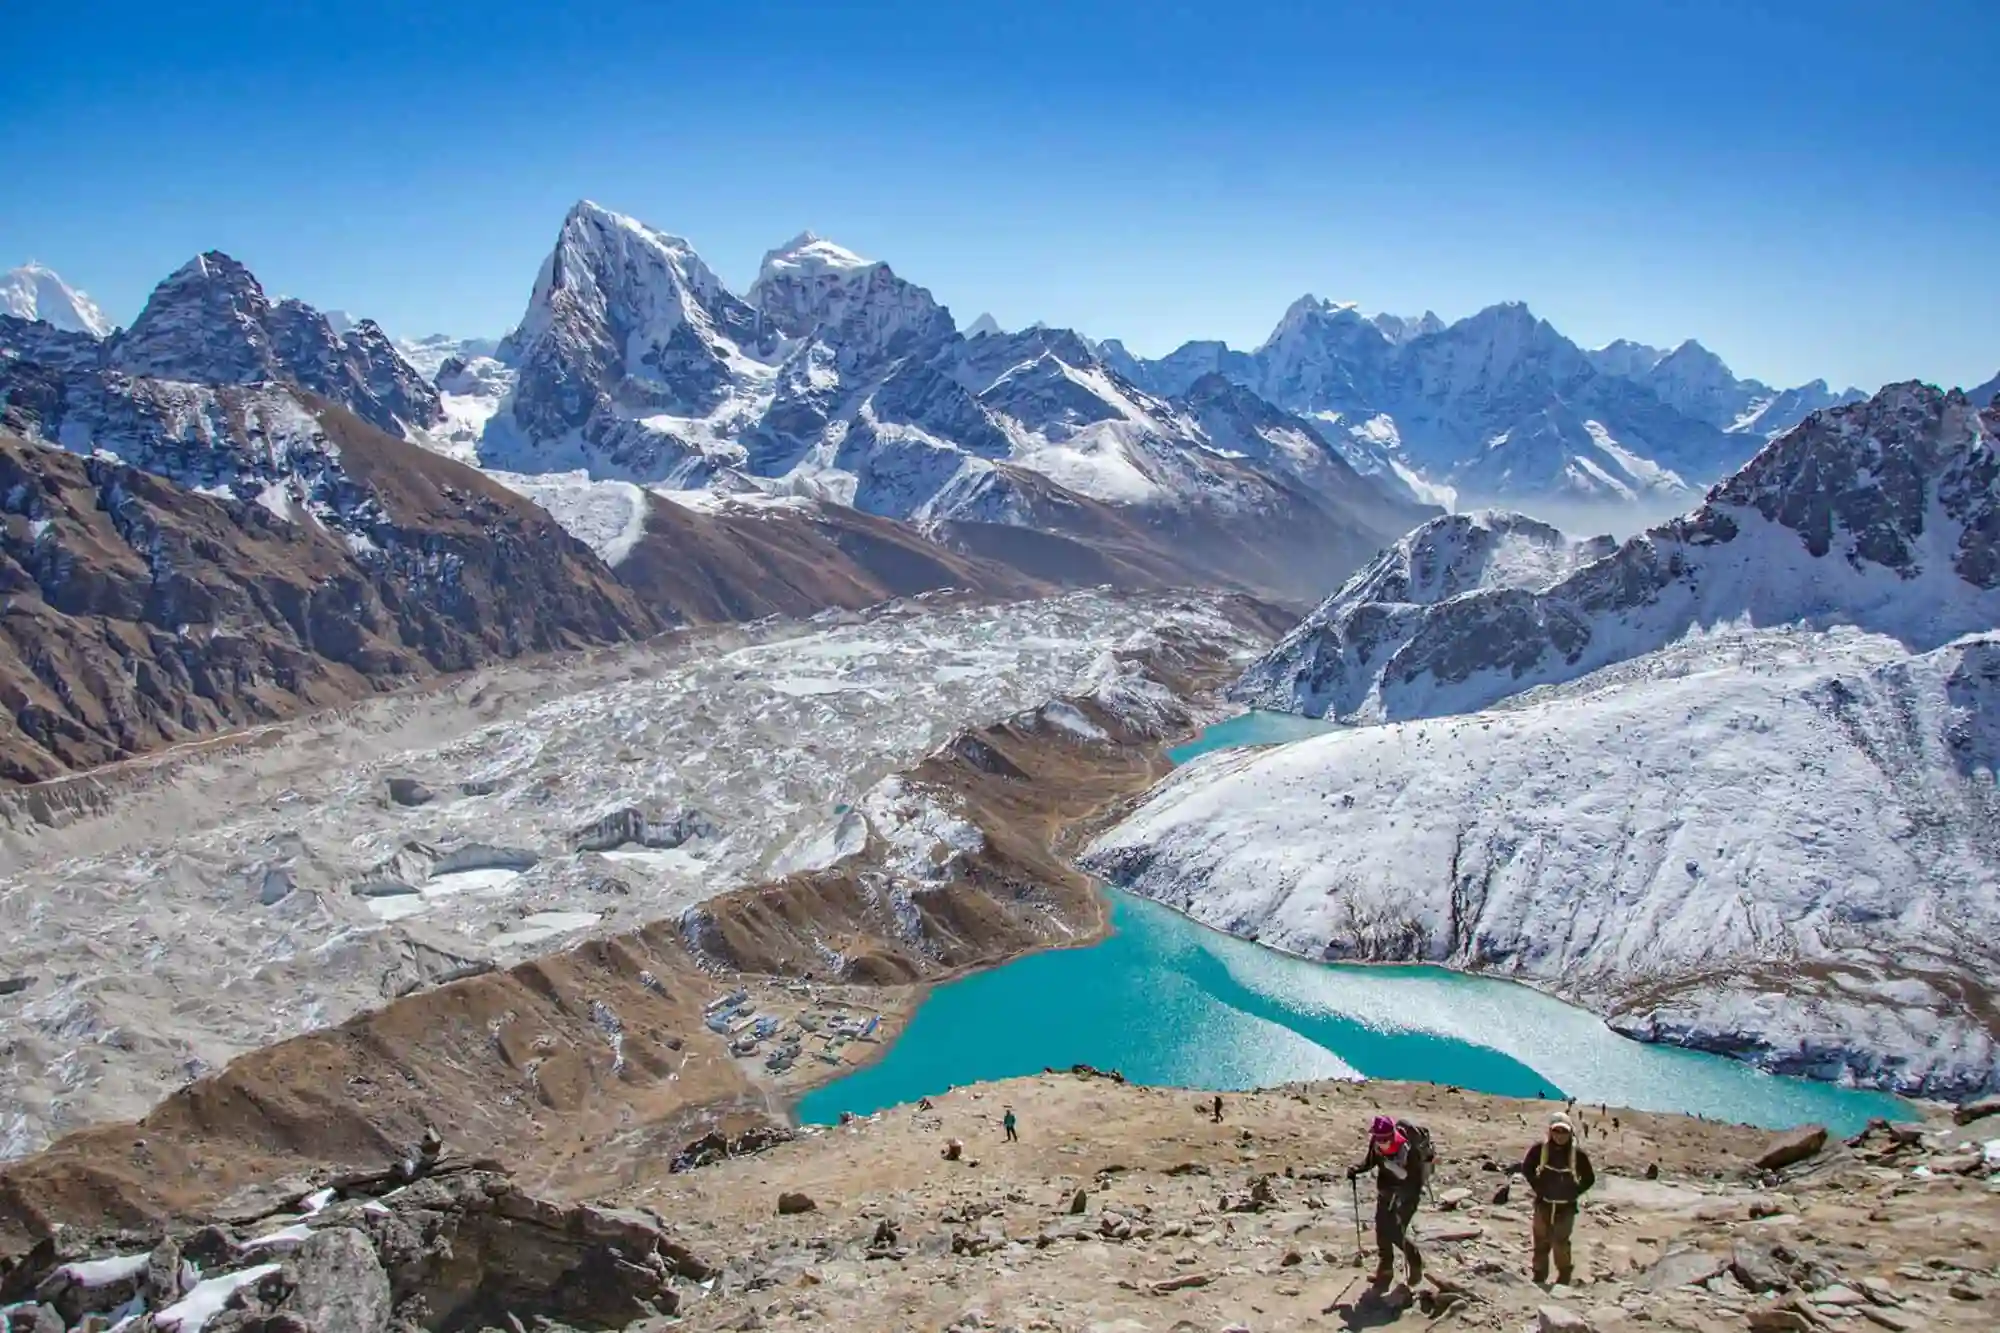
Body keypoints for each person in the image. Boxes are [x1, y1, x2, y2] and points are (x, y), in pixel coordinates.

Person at [1347, 1115, 1425, 1286]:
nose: (1380, 1141)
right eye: (1377, 1137)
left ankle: (1415, 1262)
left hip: (1406, 1194)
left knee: (1394, 1231)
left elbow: (1413, 1178)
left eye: (1384, 1138)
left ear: (1391, 1135)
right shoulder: (1376, 1143)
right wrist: (1356, 1169)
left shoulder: (1407, 1149)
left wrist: (1401, 1198)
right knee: (1381, 1231)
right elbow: (1370, 1162)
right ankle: (1385, 1272)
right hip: (1386, 1191)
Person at [1520, 1112, 1596, 1285]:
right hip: (1544, 1203)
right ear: (1550, 1131)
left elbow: (1589, 1178)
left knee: (1561, 1242)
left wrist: (1574, 1192)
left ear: (1570, 1133)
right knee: (1540, 1240)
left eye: (1564, 1132)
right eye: (1556, 1131)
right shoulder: (1540, 1150)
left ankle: (1564, 1276)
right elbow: (1527, 1168)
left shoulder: (1578, 1155)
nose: (1560, 1136)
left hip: (1565, 1207)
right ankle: (1539, 1274)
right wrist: (1537, 1187)